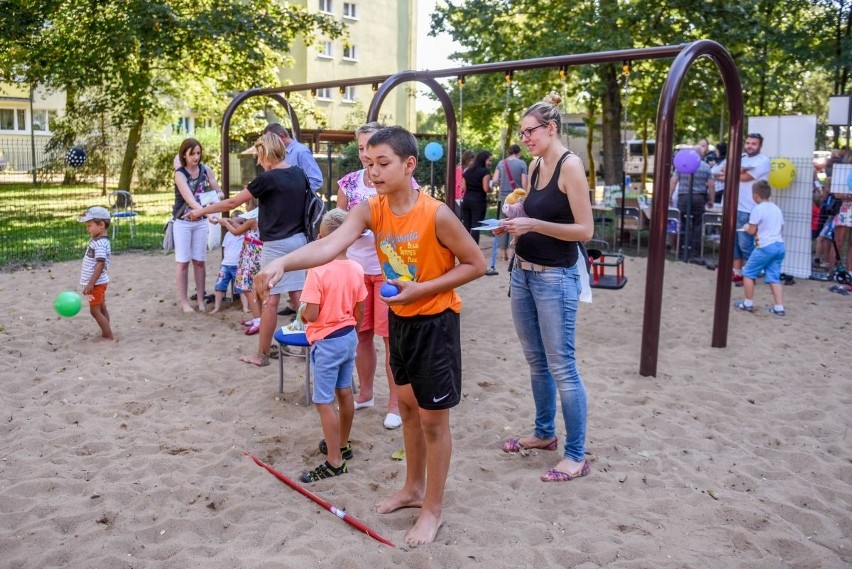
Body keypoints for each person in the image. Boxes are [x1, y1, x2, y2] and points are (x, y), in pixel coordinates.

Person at [254, 126, 486, 546]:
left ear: (409, 165)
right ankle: (413, 488)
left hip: (435, 324)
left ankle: (433, 508)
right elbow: (329, 246)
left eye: (383, 164)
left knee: (434, 422)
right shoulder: (371, 209)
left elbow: (475, 263)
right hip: (401, 322)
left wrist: (423, 289)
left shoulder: (437, 214)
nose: (373, 172)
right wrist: (282, 264)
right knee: (410, 412)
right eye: (368, 164)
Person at [493, 91, 594, 483]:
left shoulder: (571, 167)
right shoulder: (535, 165)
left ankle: (575, 454)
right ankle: (544, 432)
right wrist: (515, 217)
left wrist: (533, 225)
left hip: (556, 277)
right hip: (523, 272)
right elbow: (534, 210)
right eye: (522, 133)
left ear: (551, 128)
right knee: (536, 362)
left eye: (530, 131)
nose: (526, 139)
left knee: (563, 367)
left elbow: (583, 230)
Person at [187, 133, 310, 366]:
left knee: (270, 301)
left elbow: (232, 203)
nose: (257, 162)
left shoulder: (267, 179)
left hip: (276, 245)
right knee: (298, 295)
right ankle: (308, 346)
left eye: (258, 156)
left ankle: (262, 354)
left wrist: (201, 211)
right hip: (298, 241)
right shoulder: (299, 174)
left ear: (265, 153)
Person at [337, 122, 416, 430]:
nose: (366, 158)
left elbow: (411, 225)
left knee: (390, 339)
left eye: (374, 152)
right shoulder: (348, 183)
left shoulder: (401, 182)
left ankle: (395, 403)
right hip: (356, 269)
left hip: (388, 271)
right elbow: (338, 225)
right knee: (362, 334)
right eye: (361, 150)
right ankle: (366, 393)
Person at [298, 208, 367, 483]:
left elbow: (311, 314)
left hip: (326, 341)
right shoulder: (356, 268)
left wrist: (302, 311)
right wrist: (353, 331)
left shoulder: (317, 271)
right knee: (345, 392)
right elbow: (359, 309)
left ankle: (334, 461)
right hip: (348, 336)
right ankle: (343, 443)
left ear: (321, 239)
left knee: (323, 402)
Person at [173, 138, 224, 313]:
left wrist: (219, 194)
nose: (196, 157)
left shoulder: (205, 169)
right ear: (184, 155)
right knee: (183, 263)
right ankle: (184, 302)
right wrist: (208, 213)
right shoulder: (180, 174)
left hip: (201, 222)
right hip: (183, 222)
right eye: (192, 153)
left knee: (200, 261)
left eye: (198, 153)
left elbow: (216, 187)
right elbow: (190, 199)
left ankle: (201, 299)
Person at [733, 180, 786, 316]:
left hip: (765, 246)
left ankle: (748, 303)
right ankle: (779, 307)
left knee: (748, 273)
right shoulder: (776, 208)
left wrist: (746, 227)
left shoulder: (758, 209)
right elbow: (780, 227)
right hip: (779, 245)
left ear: (755, 195)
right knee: (774, 276)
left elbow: (751, 230)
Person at [725, 133, 771, 284]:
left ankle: (751, 274)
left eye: (754, 143)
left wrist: (735, 171)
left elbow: (744, 177)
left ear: (760, 146)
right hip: (734, 206)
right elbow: (725, 171)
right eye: (748, 143)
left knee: (746, 244)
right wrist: (738, 170)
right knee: (733, 244)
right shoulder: (742, 158)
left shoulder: (763, 161)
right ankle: (737, 273)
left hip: (750, 209)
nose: (750, 146)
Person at [670, 144, 714, 261]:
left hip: (684, 197)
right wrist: (711, 200)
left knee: (682, 223)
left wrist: (669, 196)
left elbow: (673, 182)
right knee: (697, 225)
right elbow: (711, 185)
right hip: (699, 198)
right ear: (702, 154)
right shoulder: (705, 167)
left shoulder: (680, 166)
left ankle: (681, 250)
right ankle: (695, 252)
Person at [77, 206, 113, 340]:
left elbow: (100, 263)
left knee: (94, 311)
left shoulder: (100, 243)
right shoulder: (98, 240)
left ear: (101, 225)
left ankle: (108, 335)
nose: (87, 229)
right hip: (99, 282)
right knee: (102, 307)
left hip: (97, 283)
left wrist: (91, 283)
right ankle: (106, 330)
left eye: (89, 225)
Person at [491, 144, 529, 264]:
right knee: (515, 223)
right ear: (519, 152)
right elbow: (524, 183)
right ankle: (511, 254)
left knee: (503, 224)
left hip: (503, 197)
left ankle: (502, 255)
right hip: (517, 198)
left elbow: (495, 179)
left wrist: (501, 185)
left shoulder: (501, 163)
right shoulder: (522, 164)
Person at [263, 123, 323, 192]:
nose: (269, 145)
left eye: (271, 140)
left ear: (281, 136)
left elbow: (316, 180)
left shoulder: (301, 151)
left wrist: (295, 195)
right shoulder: (279, 154)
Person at [210, 212, 244, 314]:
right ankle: (217, 307)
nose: (239, 225)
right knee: (219, 286)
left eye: (242, 223)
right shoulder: (228, 235)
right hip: (226, 265)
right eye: (234, 223)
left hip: (238, 265)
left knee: (241, 288)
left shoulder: (244, 235)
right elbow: (225, 248)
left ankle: (245, 307)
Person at [460, 150, 493, 244]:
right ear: (484, 160)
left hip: (467, 200)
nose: (490, 163)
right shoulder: (485, 172)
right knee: (476, 226)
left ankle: (463, 246)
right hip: (478, 201)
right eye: (489, 160)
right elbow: (486, 188)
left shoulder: (468, 171)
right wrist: (492, 188)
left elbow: (463, 188)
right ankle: (473, 249)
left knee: (466, 224)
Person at [454, 150, 475, 218]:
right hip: (462, 196)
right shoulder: (465, 171)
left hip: (456, 195)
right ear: (467, 160)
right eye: (471, 160)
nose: (472, 162)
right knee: (464, 218)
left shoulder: (457, 169)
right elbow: (463, 186)